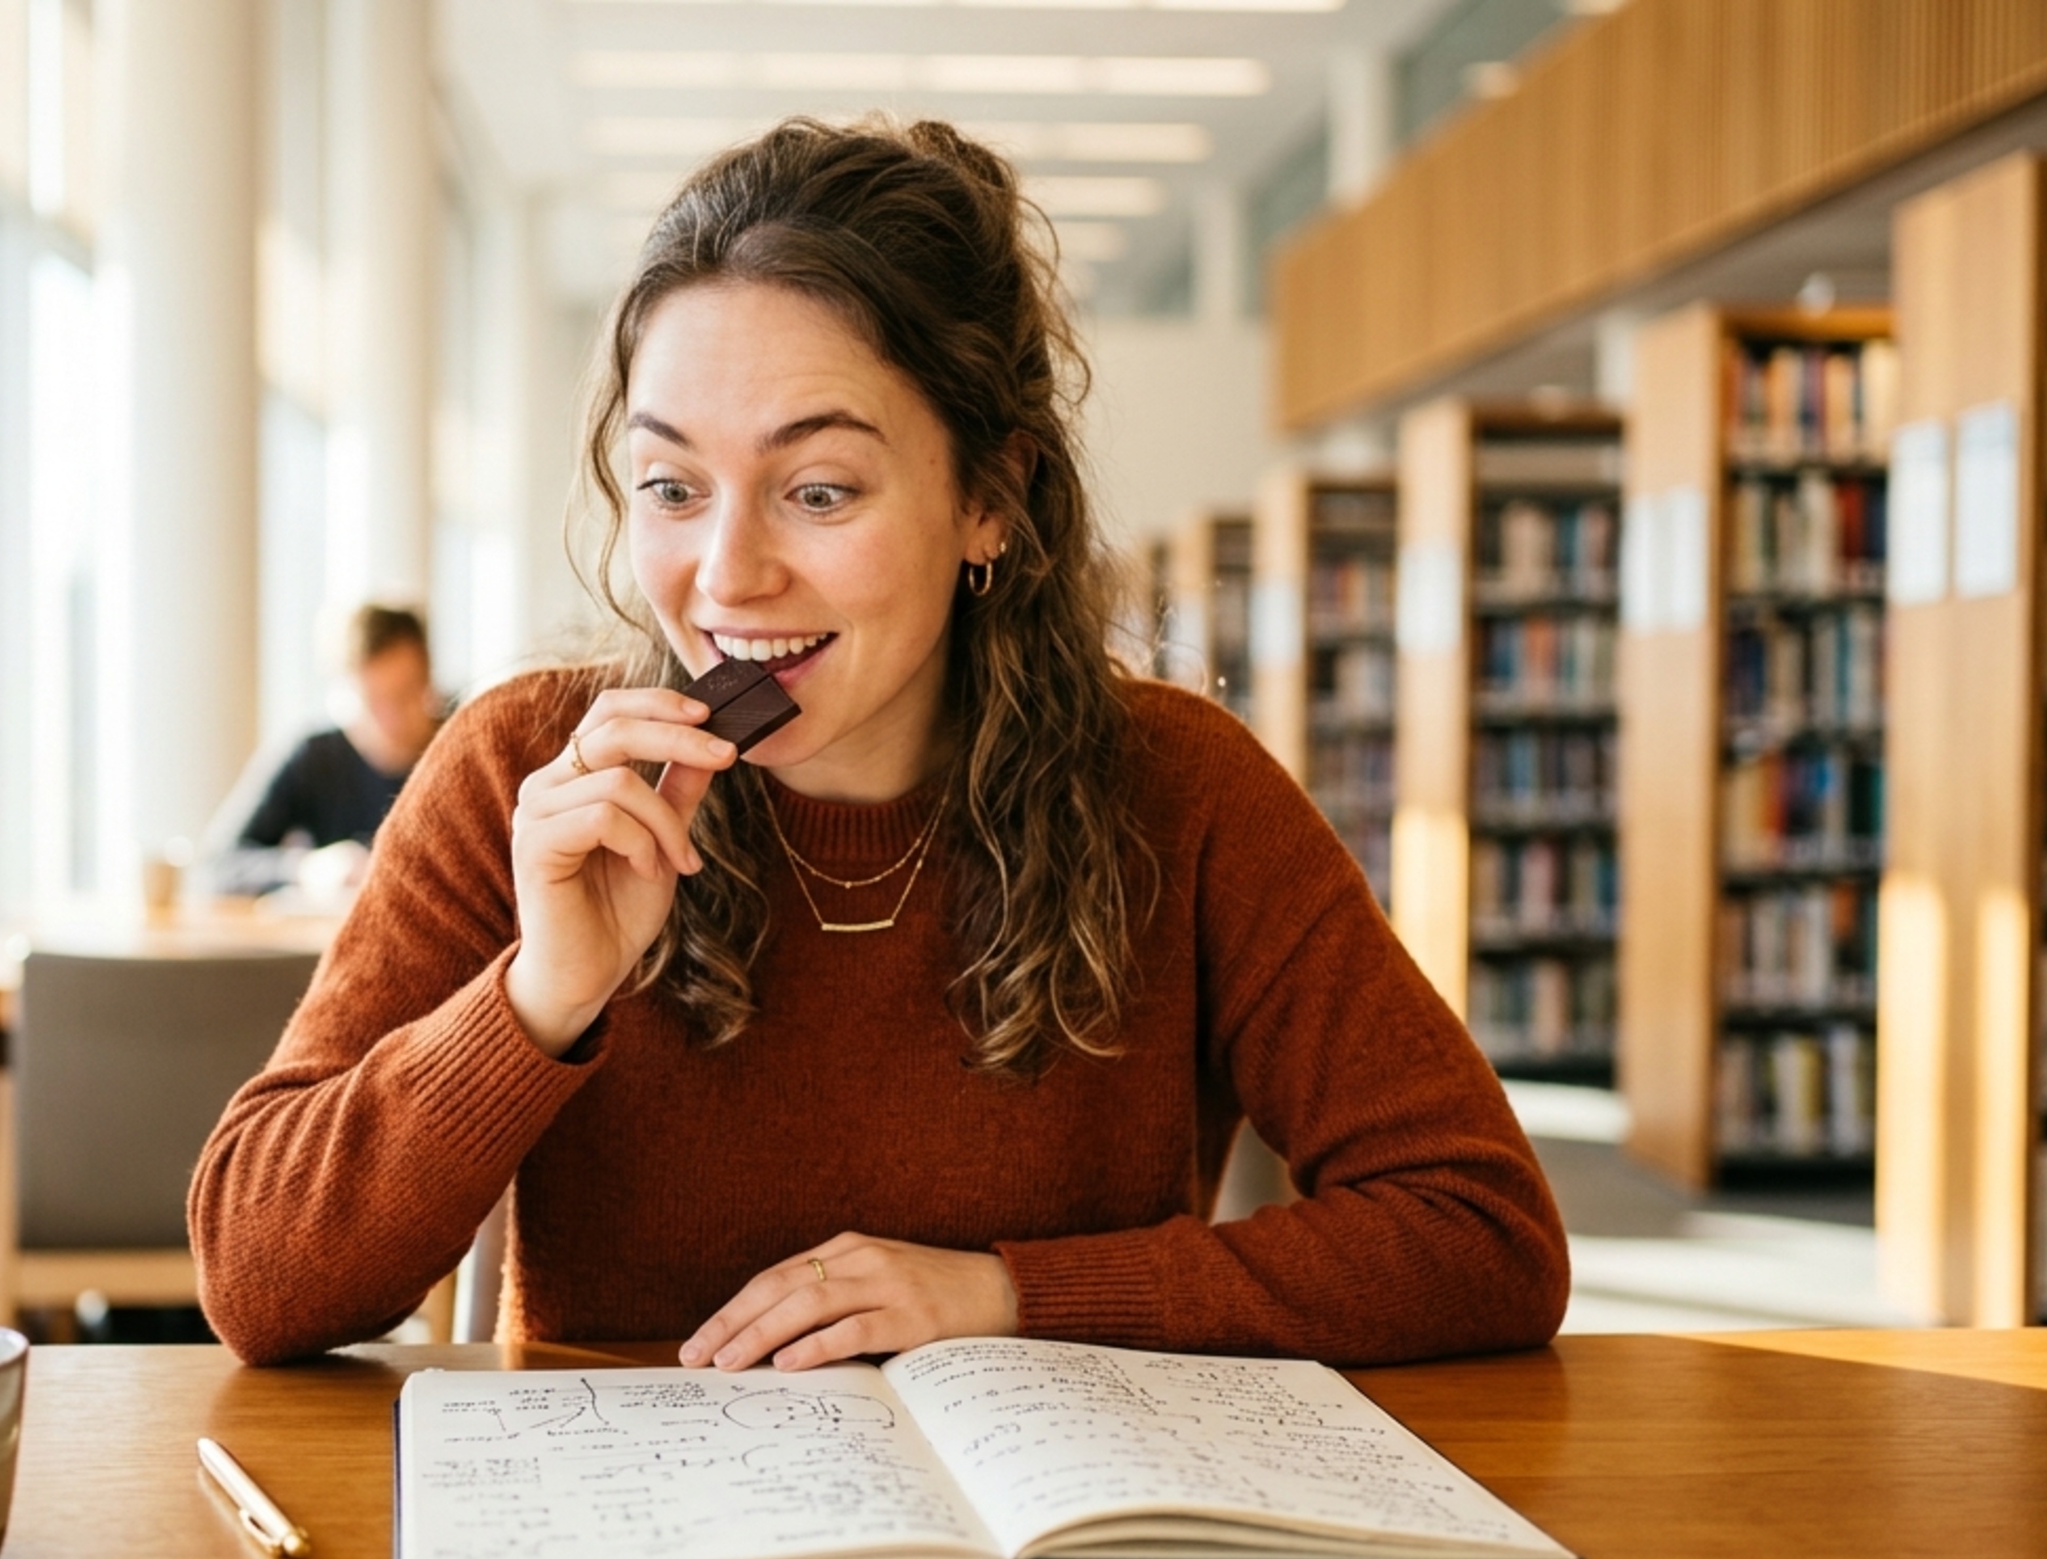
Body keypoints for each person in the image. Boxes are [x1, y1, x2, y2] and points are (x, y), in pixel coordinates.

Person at [189, 118, 1569, 1370]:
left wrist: (1011, 1296)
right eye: (671, 485)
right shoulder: (524, 770)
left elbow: (1481, 1233)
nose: (727, 577)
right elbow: (257, 1283)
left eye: (819, 489)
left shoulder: (1181, 789)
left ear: (992, 499)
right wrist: (538, 996)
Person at [214, 604, 441, 895]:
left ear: (428, 679)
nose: (391, 720)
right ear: (344, 693)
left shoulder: (465, 751)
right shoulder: (315, 758)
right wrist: (305, 868)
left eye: (405, 695)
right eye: (373, 701)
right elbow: (219, 865)